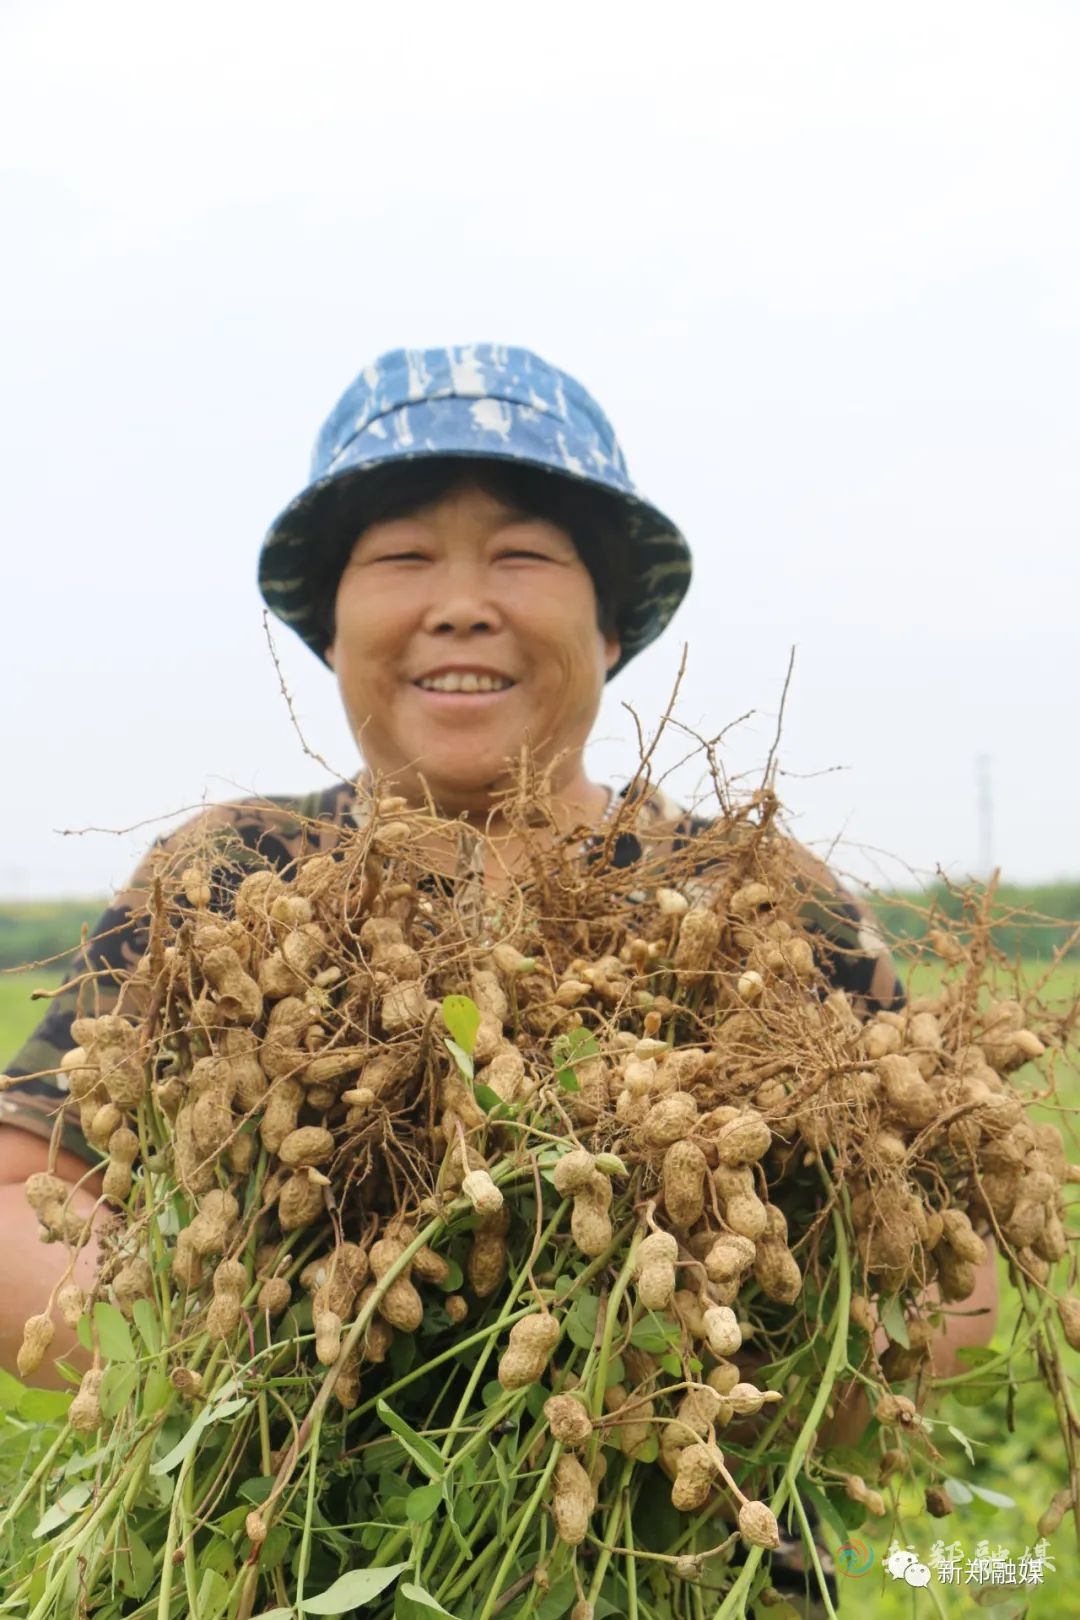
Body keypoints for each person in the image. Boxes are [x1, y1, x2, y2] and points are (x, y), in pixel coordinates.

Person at [0, 344, 996, 1605]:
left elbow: (932, 1259)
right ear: (331, 623)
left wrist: (704, 1402)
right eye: (404, 557)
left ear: (612, 620)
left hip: (681, 1564)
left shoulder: (762, 900)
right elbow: (24, 1187)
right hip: (285, 1552)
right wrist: (270, 1376)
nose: (462, 603)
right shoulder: (227, 879)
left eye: (523, 556)